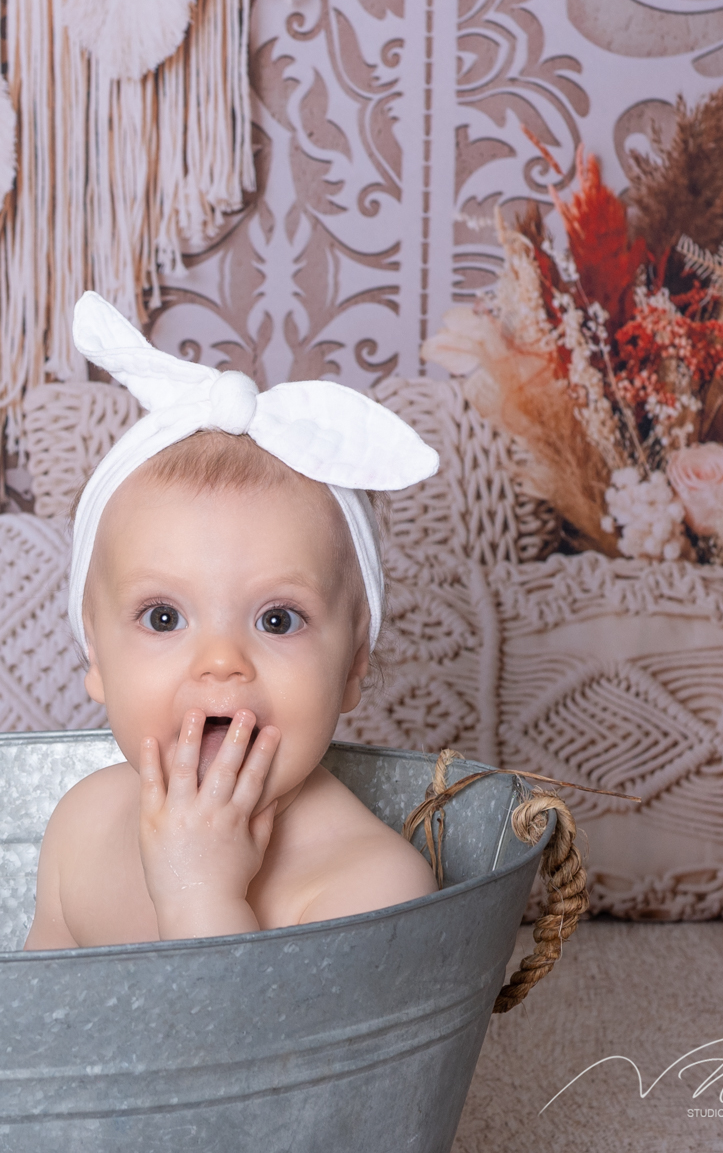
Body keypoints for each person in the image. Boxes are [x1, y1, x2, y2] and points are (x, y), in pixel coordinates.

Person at [24, 293, 442, 949]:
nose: (222, 660)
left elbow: (262, 1055)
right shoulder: (82, 826)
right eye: (164, 617)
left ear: (355, 661)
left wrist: (200, 897)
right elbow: (36, 1036)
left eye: (278, 620)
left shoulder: (375, 888)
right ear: (97, 656)